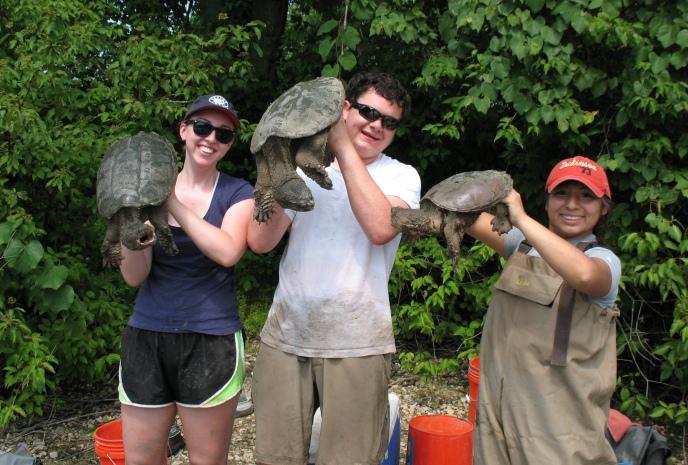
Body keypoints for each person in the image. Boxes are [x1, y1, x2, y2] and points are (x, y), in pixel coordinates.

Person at [247, 72, 421, 465]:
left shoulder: (401, 176)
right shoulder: (303, 165)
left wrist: (341, 144)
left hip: (358, 341)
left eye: (389, 122)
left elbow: (380, 227)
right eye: (367, 111)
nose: (376, 125)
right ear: (344, 107)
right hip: (287, 335)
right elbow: (260, 242)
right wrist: (279, 172)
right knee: (275, 457)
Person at [117, 95, 254, 465]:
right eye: (202, 127)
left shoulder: (238, 192)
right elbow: (134, 276)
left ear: (229, 144)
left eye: (223, 134)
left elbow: (227, 252)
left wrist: (172, 203)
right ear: (184, 130)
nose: (210, 138)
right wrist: (134, 233)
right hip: (147, 337)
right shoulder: (141, 195)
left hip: (211, 340)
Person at [466, 155, 621, 465]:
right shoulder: (520, 246)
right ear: (548, 200)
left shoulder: (604, 261)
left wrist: (521, 218)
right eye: (562, 193)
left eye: (586, 196)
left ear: (603, 208)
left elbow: (584, 276)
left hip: (559, 426)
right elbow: (463, 217)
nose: (572, 204)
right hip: (498, 411)